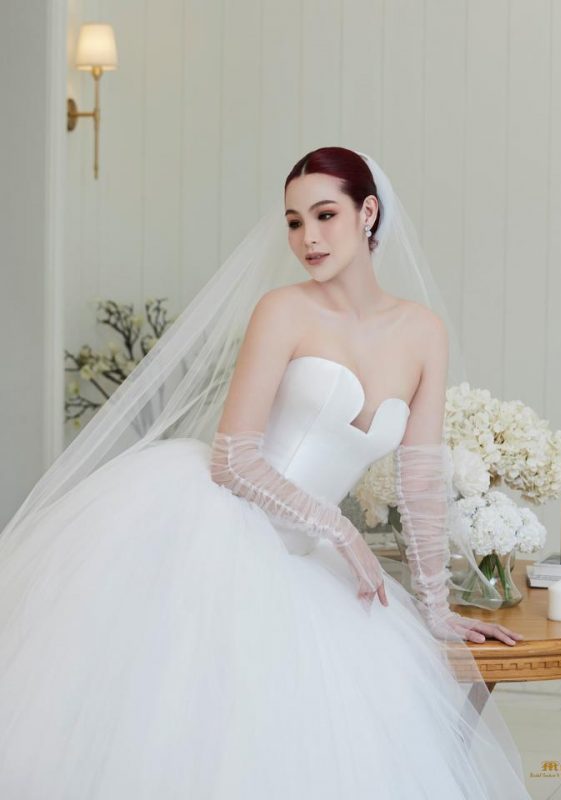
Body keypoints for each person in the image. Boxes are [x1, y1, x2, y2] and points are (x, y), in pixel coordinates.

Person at [0, 146, 532, 798]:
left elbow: (419, 479)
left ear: (368, 213)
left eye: (325, 215)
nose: (308, 238)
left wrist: (437, 606)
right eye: (294, 221)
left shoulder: (423, 333)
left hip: (306, 555)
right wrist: (339, 530)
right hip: (217, 525)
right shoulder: (283, 311)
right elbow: (233, 458)